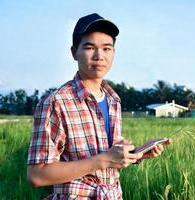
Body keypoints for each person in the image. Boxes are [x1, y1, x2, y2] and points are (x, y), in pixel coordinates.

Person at [27, 13, 170, 200]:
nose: (99, 56)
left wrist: (136, 154)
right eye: (89, 47)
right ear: (74, 52)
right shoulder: (57, 102)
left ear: (114, 53)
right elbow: (37, 175)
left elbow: (108, 159)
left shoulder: (113, 99)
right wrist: (104, 159)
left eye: (106, 48)